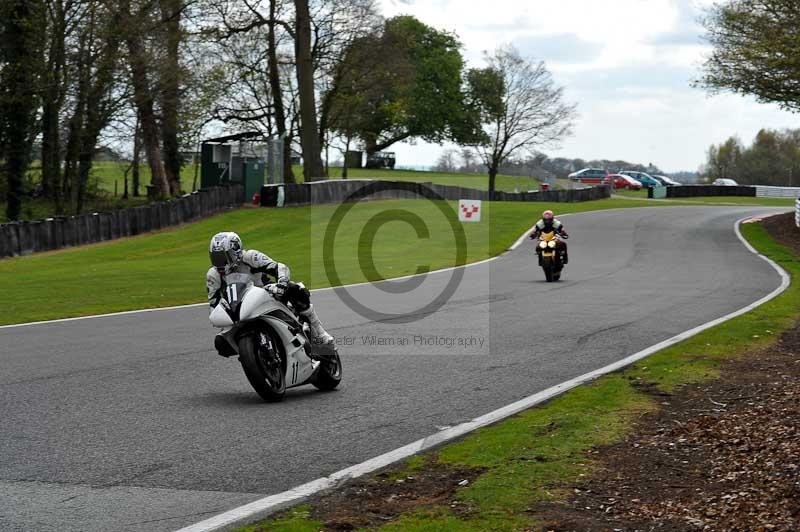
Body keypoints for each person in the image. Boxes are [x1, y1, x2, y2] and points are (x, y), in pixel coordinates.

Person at [206, 231, 334, 345]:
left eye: (223, 257)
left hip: (265, 294)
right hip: (239, 309)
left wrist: (282, 283)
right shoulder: (214, 275)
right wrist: (219, 317)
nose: (219, 263)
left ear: (236, 251)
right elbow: (213, 303)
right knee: (221, 343)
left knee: (296, 290)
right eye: (216, 258)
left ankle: (319, 331)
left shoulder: (250, 257)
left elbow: (279, 267)